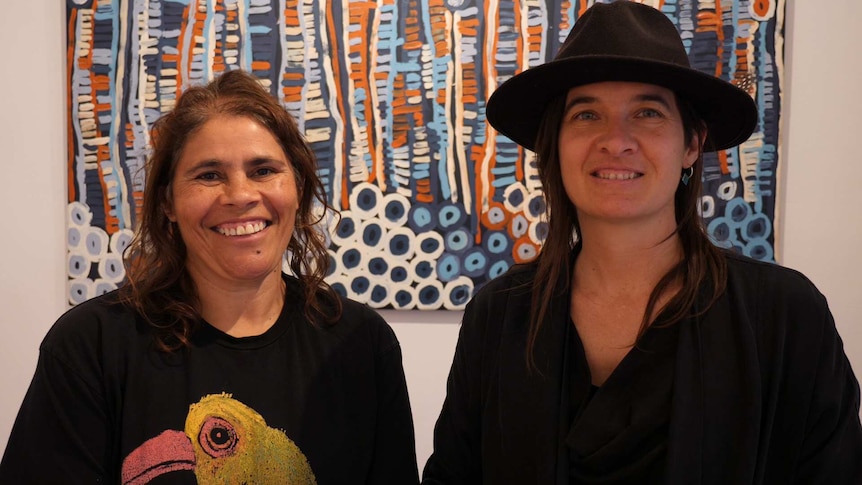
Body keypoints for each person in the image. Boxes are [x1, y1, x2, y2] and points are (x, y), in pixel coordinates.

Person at [422, 2, 862, 484]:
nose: (616, 140)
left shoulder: (783, 315)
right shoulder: (500, 315)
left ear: (692, 144)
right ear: (555, 144)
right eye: (586, 114)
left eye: (648, 112)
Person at [1, 69, 419, 484]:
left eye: (263, 170)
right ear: (167, 202)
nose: (239, 195)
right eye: (209, 175)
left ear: (298, 186)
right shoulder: (90, 346)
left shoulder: (361, 343)